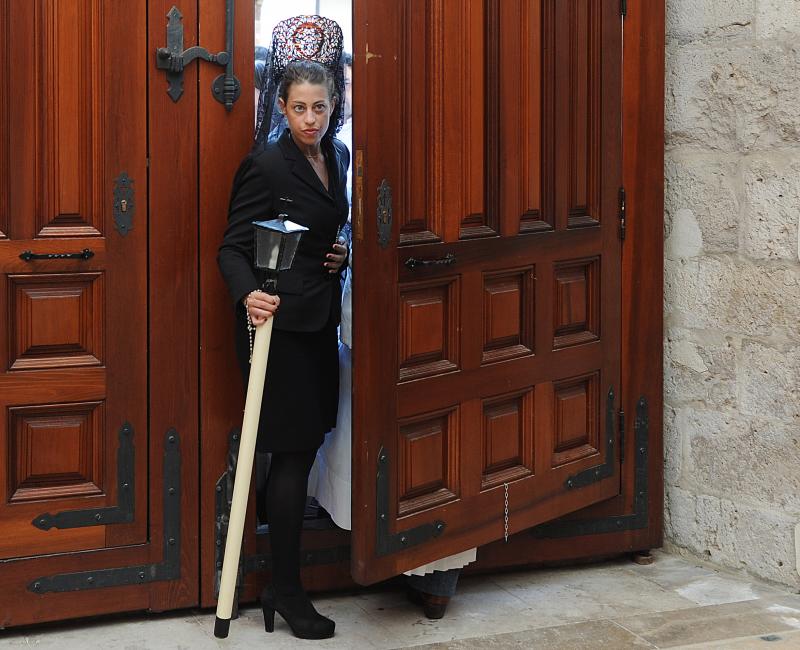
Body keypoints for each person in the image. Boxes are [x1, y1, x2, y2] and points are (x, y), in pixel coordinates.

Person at [217, 18, 349, 639]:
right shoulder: (266, 165)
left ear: (333, 105)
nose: (310, 119)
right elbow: (231, 247)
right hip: (275, 327)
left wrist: (340, 252)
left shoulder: (338, 157)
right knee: (290, 454)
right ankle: (287, 591)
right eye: (299, 108)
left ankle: (284, 585)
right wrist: (248, 296)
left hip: (321, 319)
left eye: (320, 107)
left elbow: (327, 229)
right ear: (282, 105)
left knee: (305, 447)